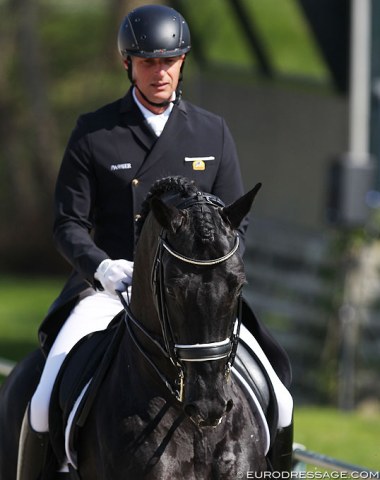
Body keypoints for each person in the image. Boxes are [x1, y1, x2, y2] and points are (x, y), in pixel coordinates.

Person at [16, 5, 293, 479]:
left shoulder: (212, 131)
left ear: (182, 62)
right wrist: (100, 267)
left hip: (197, 298)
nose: (159, 72)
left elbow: (235, 226)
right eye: (148, 62)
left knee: (281, 398)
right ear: (129, 64)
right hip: (109, 288)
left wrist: (215, 274)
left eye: (169, 61)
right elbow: (67, 223)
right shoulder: (95, 133)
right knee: (41, 399)